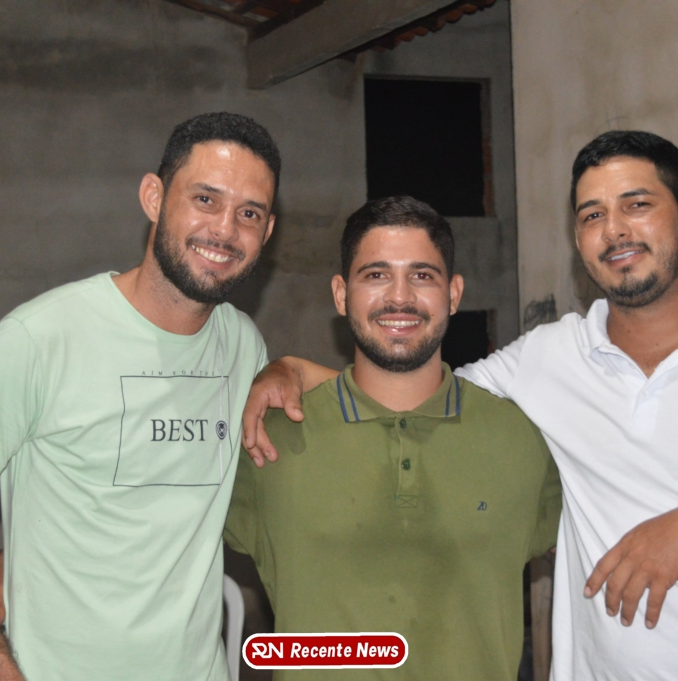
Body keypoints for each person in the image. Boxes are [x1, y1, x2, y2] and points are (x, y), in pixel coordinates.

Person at [242, 131, 678, 680]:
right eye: (593, 215)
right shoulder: (549, 359)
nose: (615, 230)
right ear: (578, 240)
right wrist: (292, 370)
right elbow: (409, 383)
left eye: (637, 205)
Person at [0, 112, 280, 681]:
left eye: (249, 213)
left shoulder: (243, 346)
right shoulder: (40, 339)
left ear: (267, 232)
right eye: (205, 199)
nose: (225, 230)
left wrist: (290, 367)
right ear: (154, 198)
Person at [224, 196, 562, 681]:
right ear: (341, 294)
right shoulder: (268, 437)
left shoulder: (521, 439)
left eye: (422, 275)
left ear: (454, 294)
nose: (399, 297)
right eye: (376, 275)